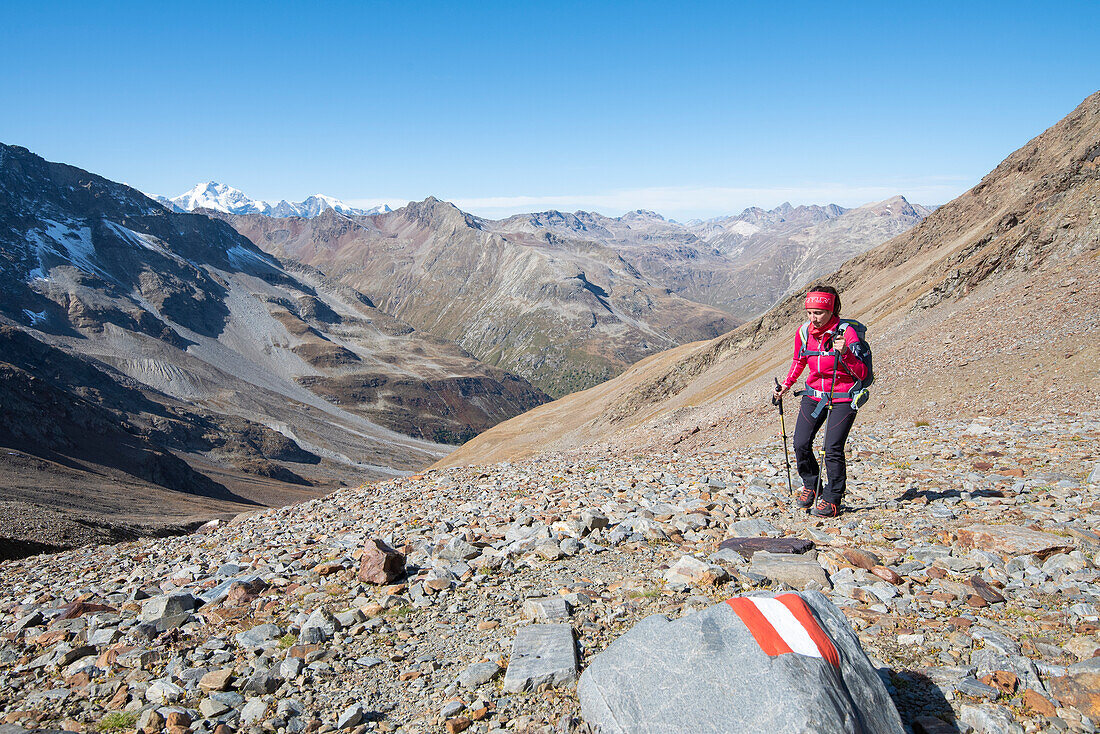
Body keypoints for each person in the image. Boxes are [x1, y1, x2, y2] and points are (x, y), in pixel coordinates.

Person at [772, 285, 868, 518]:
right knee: (800, 443)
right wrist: (786, 385)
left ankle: (833, 498)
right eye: (809, 313)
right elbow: (799, 361)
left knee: (832, 449)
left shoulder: (847, 333)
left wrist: (845, 353)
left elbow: (863, 374)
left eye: (819, 313)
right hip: (814, 394)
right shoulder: (803, 332)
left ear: (832, 310)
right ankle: (812, 485)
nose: (813, 318)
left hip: (844, 397)